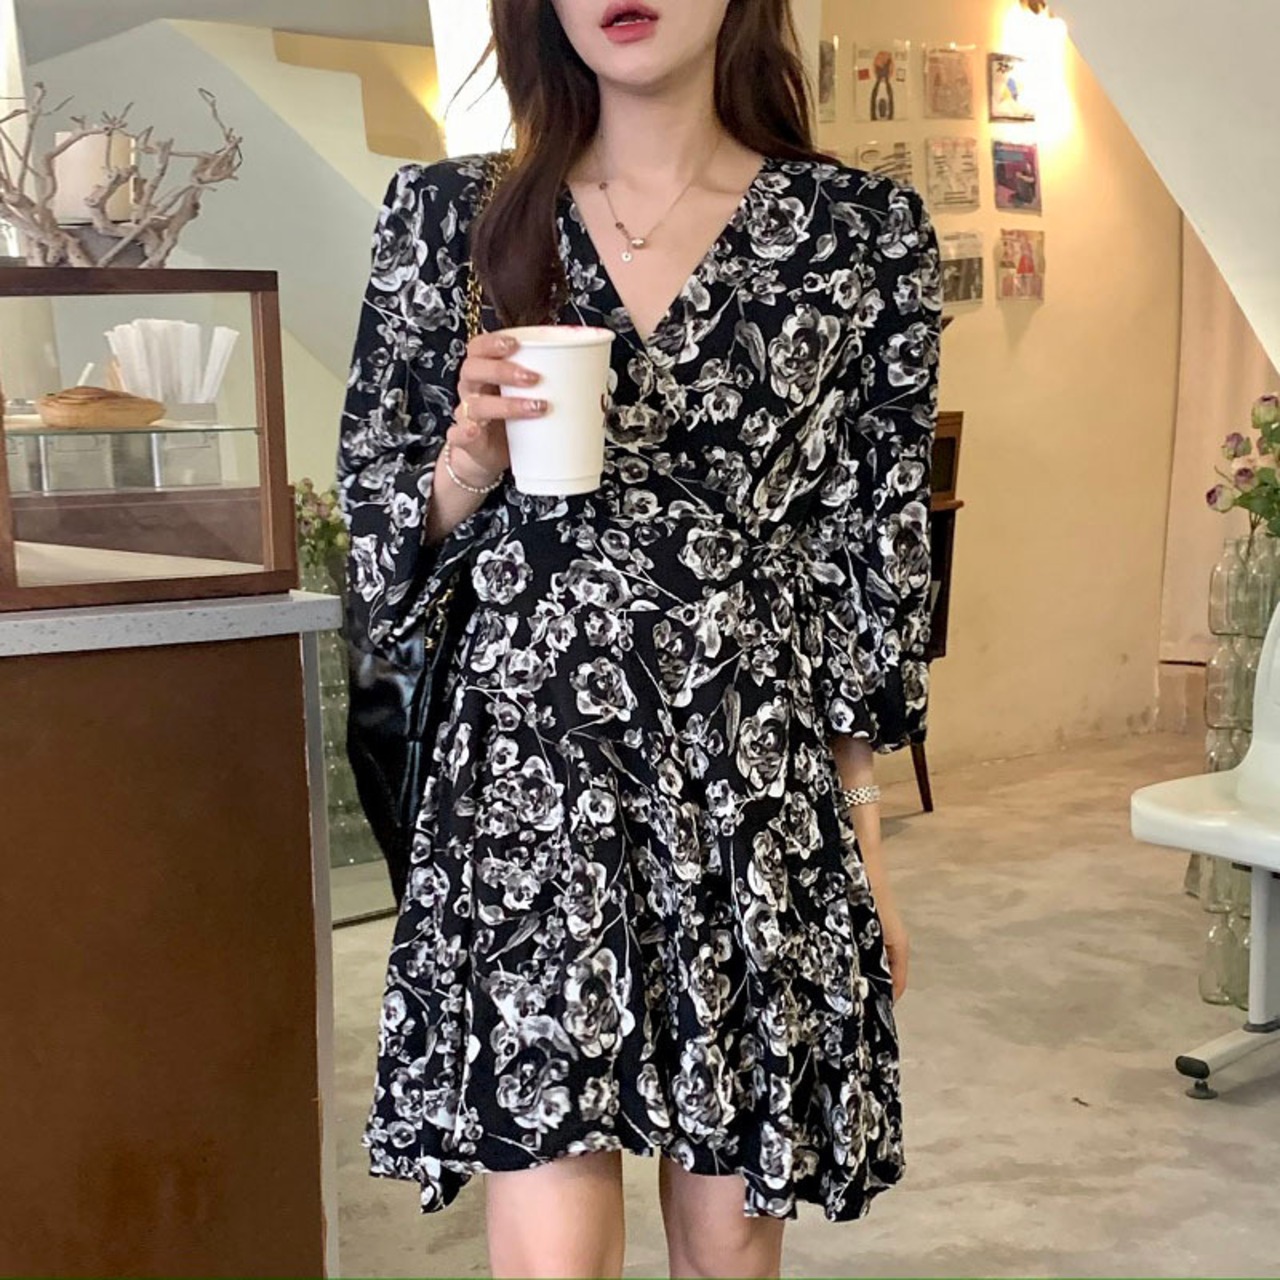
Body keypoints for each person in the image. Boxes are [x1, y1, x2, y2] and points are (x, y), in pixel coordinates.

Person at [336, 0, 942, 1275]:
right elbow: (380, 551)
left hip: (746, 779)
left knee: (729, 1241)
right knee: (552, 1243)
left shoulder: (857, 232)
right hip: (531, 785)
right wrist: (467, 455)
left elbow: (868, 555)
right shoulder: (450, 216)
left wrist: (865, 841)